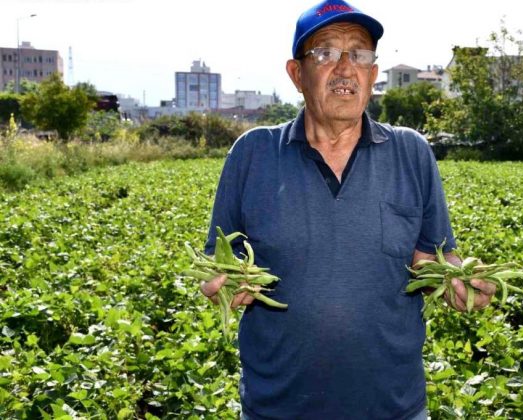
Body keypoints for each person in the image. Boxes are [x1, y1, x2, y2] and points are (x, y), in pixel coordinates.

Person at [200, 1, 496, 419]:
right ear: (296, 74)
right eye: (324, 53)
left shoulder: (412, 152)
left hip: (393, 407)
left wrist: (459, 282)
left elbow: (431, 261)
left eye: (358, 54)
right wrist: (223, 285)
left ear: (373, 75)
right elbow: (220, 260)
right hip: (277, 408)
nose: (344, 68)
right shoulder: (252, 154)